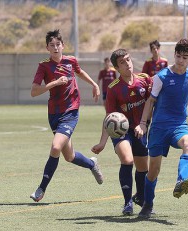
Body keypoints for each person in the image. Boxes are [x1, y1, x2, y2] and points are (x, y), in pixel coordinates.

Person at [135, 38, 188, 218]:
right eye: (178, 56)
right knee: (153, 171)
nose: (180, 60)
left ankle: (181, 181)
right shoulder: (162, 77)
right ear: (174, 55)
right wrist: (143, 124)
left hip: (179, 125)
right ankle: (148, 203)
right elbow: (151, 100)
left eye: (185, 57)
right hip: (159, 128)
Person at [30, 29, 103, 202]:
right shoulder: (44, 66)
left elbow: (80, 72)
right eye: (51, 45)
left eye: (58, 44)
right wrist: (54, 82)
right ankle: (92, 164)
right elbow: (34, 91)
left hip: (71, 111)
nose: (55, 48)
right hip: (54, 113)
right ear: (47, 48)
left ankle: (41, 189)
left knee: (56, 147)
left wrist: (94, 84)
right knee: (69, 156)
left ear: (63, 46)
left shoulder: (71, 61)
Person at [91, 49, 152, 215]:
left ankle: (140, 198)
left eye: (128, 60)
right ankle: (127, 203)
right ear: (117, 68)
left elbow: (153, 101)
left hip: (141, 129)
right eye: (122, 63)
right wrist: (102, 142)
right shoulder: (113, 89)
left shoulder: (145, 80)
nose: (127, 64)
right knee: (127, 159)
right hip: (121, 132)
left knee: (142, 168)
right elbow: (109, 118)